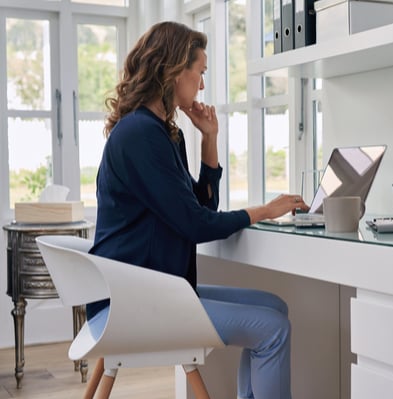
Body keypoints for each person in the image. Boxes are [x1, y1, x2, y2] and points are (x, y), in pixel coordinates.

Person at [87, 21, 308, 399]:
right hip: (134, 304)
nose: (202, 85)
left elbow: (201, 205)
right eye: (200, 72)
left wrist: (209, 138)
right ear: (174, 70)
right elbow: (195, 224)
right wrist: (264, 210)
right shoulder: (141, 135)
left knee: (276, 307)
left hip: (155, 290)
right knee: (273, 329)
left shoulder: (163, 133)